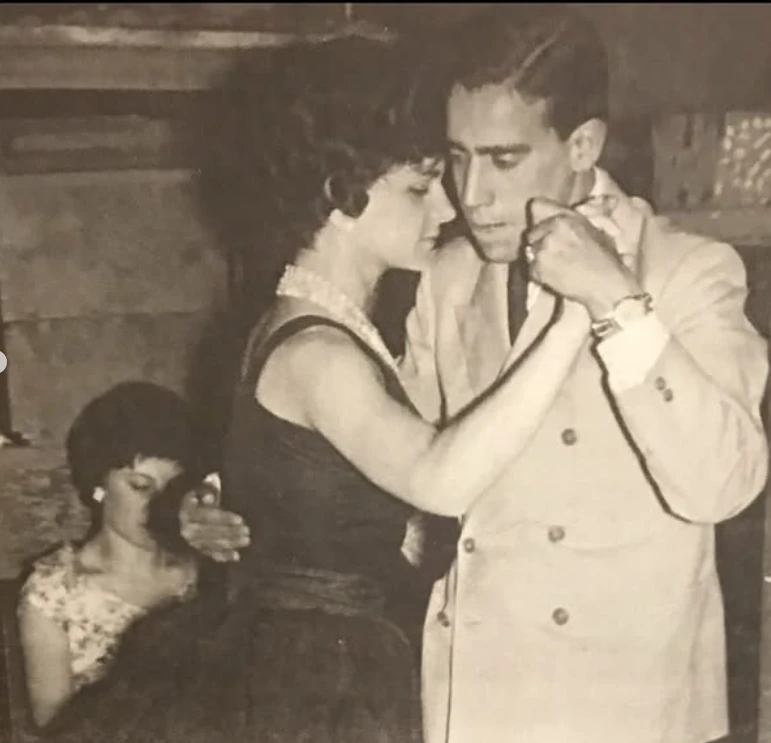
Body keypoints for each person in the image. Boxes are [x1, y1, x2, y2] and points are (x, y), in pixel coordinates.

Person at [184, 5, 770, 743]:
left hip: (621, 708)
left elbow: (724, 485)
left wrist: (615, 303)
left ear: (583, 144)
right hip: (473, 699)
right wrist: (242, 495)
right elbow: (391, 453)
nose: (471, 193)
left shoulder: (685, 270)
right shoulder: (448, 274)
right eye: (455, 158)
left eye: (502, 159)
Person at [42, 33, 611, 743]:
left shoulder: (319, 324)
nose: (448, 207)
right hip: (313, 680)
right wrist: (579, 313)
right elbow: (440, 481)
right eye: (419, 186)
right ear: (341, 195)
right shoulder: (318, 352)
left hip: (314, 655)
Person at [17, 381, 201, 728]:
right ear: (98, 482)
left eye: (172, 489)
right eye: (140, 486)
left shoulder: (197, 574)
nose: (157, 504)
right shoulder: (54, 594)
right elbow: (55, 728)